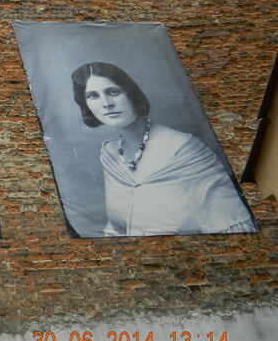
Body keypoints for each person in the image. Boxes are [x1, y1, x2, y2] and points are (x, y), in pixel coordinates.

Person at [71, 62, 256, 237]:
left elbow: (236, 226)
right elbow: (116, 227)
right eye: (92, 95)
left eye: (113, 92)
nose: (106, 103)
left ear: (131, 94)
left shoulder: (184, 148)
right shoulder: (110, 154)